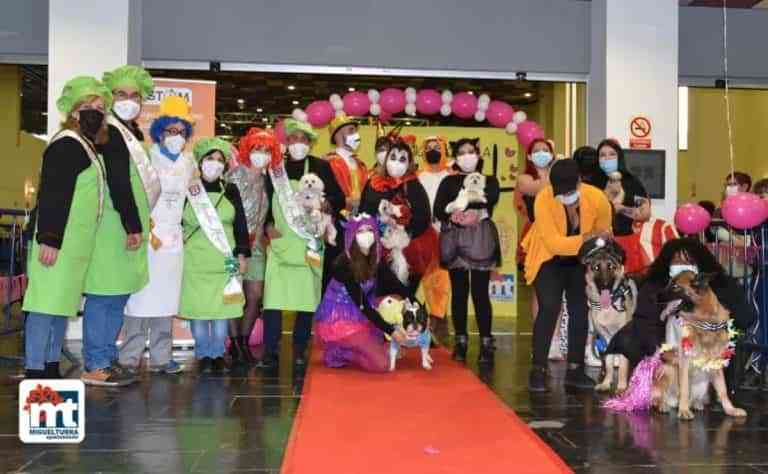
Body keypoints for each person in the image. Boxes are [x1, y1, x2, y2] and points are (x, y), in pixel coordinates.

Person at [23, 76, 112, 380]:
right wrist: (50, 238)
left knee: (60, 308)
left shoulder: (86, 146)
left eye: (101, 107)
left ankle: (50, 367)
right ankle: (35, 371)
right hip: (56, 242)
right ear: (74, 111)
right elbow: (54, 194)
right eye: (88, 106)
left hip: (74, 246)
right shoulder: (67, 145)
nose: (95, 112)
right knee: (44, 307)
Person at [79, 66, 159, 387]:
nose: (128, 101)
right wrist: (131, 224)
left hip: (128, 227)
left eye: (134, 96)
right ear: (111, 98)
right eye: (121, 95)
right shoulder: (109, 131)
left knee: (118, 295)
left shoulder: (132, 133)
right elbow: (118, 183)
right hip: (114, 226)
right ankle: (96, 362)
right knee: (103, 295)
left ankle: (107, 359)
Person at [521, 158, 612, 392]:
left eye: (570, 191)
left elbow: (605, 235)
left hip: (582, 262)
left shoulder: (597, 198)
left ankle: (575, 368)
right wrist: (586, 239)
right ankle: (538, 369)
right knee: (549, 306)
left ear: (580, 182)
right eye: (560, 192)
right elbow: (554, 244)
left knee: (580, 309)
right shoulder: (544, 198)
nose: (565, 196)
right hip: (548, 258)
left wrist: (593, 241)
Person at [121, 96, 196, 374]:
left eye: (182, 132)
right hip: (148, 239)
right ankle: (130, 357)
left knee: (166, 301)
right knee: (139, 300)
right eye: (171, 131)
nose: (176, 137)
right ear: (159, 132)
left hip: (174, 242)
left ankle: (163, 357)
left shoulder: (189, 163)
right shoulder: (146, 158)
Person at [262, 119, 345, 368]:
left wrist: (322, 206)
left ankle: (300, 348)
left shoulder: (321, 166)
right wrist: (267, 226)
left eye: (303, 139)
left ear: (310, 142)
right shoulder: (275, 169)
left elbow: (338, 199)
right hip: (280, 242)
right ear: (286, 142)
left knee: (306, 298)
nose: (298, 143)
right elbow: (266, 203)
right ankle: (270, 350)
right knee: (273, 300)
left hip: (309, 242)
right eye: (293, 138)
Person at [607, 237, 757, 371]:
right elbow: (645, 323)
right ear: (667, 264)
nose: (683, 265)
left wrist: (715, 329)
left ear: (701, 263)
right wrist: (665, 351)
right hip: (668, 355)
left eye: (689, 261)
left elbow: (745, 318)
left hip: (713, 355)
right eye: (677, 261)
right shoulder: (654, 287)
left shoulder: (722, 285)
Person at [180, 137, 250, 374]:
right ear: (200, 162)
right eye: (210, 159)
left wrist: (242, 254)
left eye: (220, 160)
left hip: (225, 259)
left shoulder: (230, 190)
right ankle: (203, 354)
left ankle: (218, 353)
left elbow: (241, 224)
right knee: (198, 313)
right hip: (195, 261)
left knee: (222, 313)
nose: (215, 163)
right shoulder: (189, 189)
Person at [433, 138, 501, 364]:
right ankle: (460, 340)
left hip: (480, 237)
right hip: (454, 238)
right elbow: (438, 208)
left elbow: (491, 198)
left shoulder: (489, 180)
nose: (466, 156)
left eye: (470, 151)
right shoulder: (448, 181)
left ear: (478, 154)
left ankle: (486, 342)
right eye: (461, 153)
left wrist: (475, 213)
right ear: (455, 157)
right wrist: (452, 215)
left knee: (480, 292)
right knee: (459, 292)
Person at [314, 213, 408, 372]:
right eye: (361, 231)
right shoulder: (343, 264)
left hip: (361, 316)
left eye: (370, 230)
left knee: (395, 299)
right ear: (352, 235)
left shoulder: (375, 258)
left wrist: (415, 304)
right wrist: (391, 331)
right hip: (340, 321)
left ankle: (354, 349)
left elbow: (397, 286)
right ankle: (340, 352)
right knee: (382, 364)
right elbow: (362, 305)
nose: (367, 235)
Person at [359, 138, 437, 300]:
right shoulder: (373, 183)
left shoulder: (413, 184)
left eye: (402, 159)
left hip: (409, 249)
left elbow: (423, 217)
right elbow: (363, 213)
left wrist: (401, 229)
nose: (396, 163)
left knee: (405, 297)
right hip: (378, 248)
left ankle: (409, 324)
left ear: (409, 162)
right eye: (393, 157)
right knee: (381, 297)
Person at [224, 128, 272, 366]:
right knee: (234, 295)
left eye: (266, 150)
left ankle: (243, 340)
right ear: (247, 150)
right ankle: (235, 345)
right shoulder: (233, 176)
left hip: (257, 247)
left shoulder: (267, 181)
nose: (261, 154)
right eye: (257, 149)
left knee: (255, 295)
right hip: (232, 245)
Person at [594, 139, 651, 275]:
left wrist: (620, 209)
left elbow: (645, 214)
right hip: (598, 243)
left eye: (612, 154)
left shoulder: (632, 181)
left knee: (628, 285)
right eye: (602, 155)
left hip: (626, 242)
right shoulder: (592, 182)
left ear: (619, 157)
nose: (607, 158)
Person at [417, 136, 452, 344]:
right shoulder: (419, 176)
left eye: (436, 147)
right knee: (428, 280)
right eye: (428, 147)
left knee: (443, 281)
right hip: (424, 233)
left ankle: (439, 322)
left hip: (447, 234)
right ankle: (427, 322)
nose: (432, 150)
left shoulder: (452, 176)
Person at [325, 113, 368, 215]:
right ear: (337, 134)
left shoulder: (360, 164)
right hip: (337, 220)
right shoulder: (328, 163)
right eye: (351, 130)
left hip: (359, 219)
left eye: (356, 131)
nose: (356, 135)